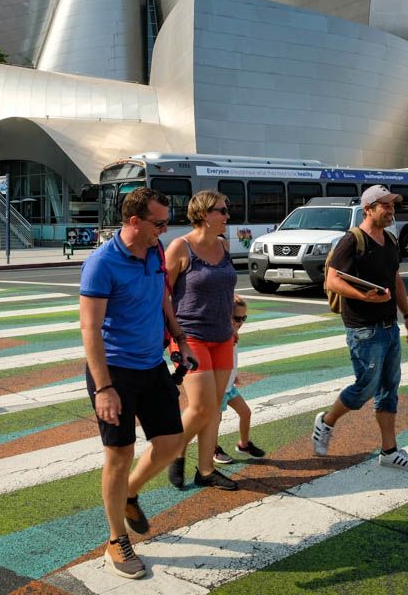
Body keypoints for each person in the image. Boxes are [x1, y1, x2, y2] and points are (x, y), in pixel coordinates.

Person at [78, 187, 197, 580]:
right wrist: (104, 388)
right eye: (158, 223)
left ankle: (129, 492)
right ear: (134, 221)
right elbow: (90, 329)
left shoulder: (155, 253)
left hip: (152, 365)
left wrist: (179, 338)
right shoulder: (102, 264)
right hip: (114, 372)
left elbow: (162, 294)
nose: (164, 230)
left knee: (171, 442)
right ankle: (116, 539)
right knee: (119, 453)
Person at [313, 184, 408, 472]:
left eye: (393, 206)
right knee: (365, 388)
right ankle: (326, 421)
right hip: (364, 329)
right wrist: (364, 296)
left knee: (389, 390)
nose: (391, 211)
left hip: (389, 327)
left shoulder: (391, 240)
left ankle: (389, 451)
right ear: (368, 209)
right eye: (385, 206)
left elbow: (396, 279)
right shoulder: (352, 240)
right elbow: (333, 280)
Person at [165, 190, 239, 491]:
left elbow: (224, 289)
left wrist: (233, 324)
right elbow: (163, 295)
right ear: (205, 215)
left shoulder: (223, 245)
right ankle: (174, 450)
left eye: (226, 209)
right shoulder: (180, 248)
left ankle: (206, 470)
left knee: (215, 407)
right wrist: (175, 336)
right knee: (200, 407)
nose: (227, 216)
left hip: (222, 336)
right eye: (221, 210)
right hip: (190, 337)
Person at [212, 295, 265, 466]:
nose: (240, 322)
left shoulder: (233, 337)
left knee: (246, 412)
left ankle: (243, 444)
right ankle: (213, 449)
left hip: (229, 387)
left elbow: (230, 360)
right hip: (217, 389)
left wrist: (233, 374)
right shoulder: (221, 336)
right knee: (215, 421)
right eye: (236, 318)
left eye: (244, 318)